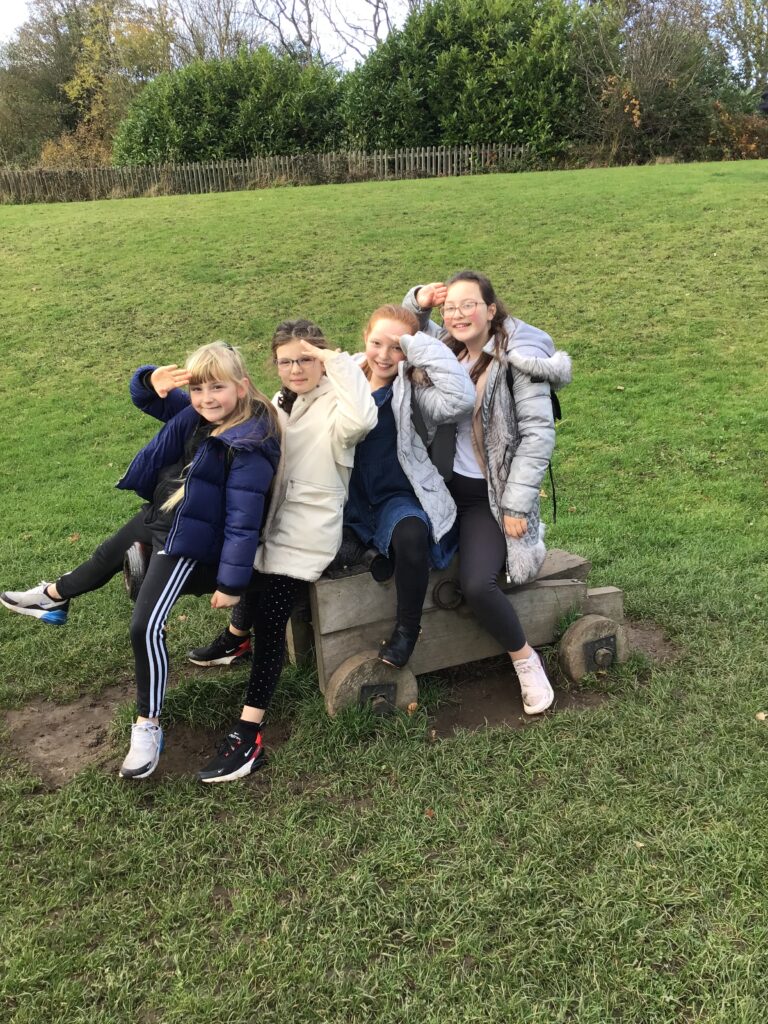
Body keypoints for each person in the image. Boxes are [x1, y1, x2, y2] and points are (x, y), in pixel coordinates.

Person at [0, 342, 280, 779]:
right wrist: (150, 379)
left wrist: (231, 583)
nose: (206, 398)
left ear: (241, 388)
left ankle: (148, 725)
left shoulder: (248, 443)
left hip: (186, 541)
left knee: (144, 627)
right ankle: (55, 596)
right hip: (163, 514)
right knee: (105, 556)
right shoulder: (198, 414)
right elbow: (148, 399)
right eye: (199, 389)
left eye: (217, 388)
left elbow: (244, 521)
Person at [191, 319, 378, 783]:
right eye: (286, 361)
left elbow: (363, 419)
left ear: (323, 359)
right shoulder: (281, 402)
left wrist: (335, 362)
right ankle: (236, 638)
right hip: (273, 523)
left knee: (272, 620)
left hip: (308, 532)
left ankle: (248, 734)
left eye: (306, 359)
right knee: (249, 578)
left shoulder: (337, 404)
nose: (296, 369)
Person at [403, 271, 572, 714]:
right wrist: (418, 301)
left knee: (477, 584)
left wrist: (516, 504)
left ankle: (525, 660)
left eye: (469, 305)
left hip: (488, 498)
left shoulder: (518, 361)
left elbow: (537, 436)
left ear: (491, 309)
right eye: (450, 308)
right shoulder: (449, 349)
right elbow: (403, 335)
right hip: (442, 488)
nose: (457, 315)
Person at [344, 304, 475, 668]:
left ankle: (407, 630)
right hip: (348, 496)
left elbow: (461, 400)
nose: (385, 355)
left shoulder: (414, 389)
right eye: (377, 343)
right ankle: (364, 552)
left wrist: (419, 348)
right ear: (364, 338)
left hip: (394, 494)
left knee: (413, 533)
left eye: (397, 347)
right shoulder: (344, 377)